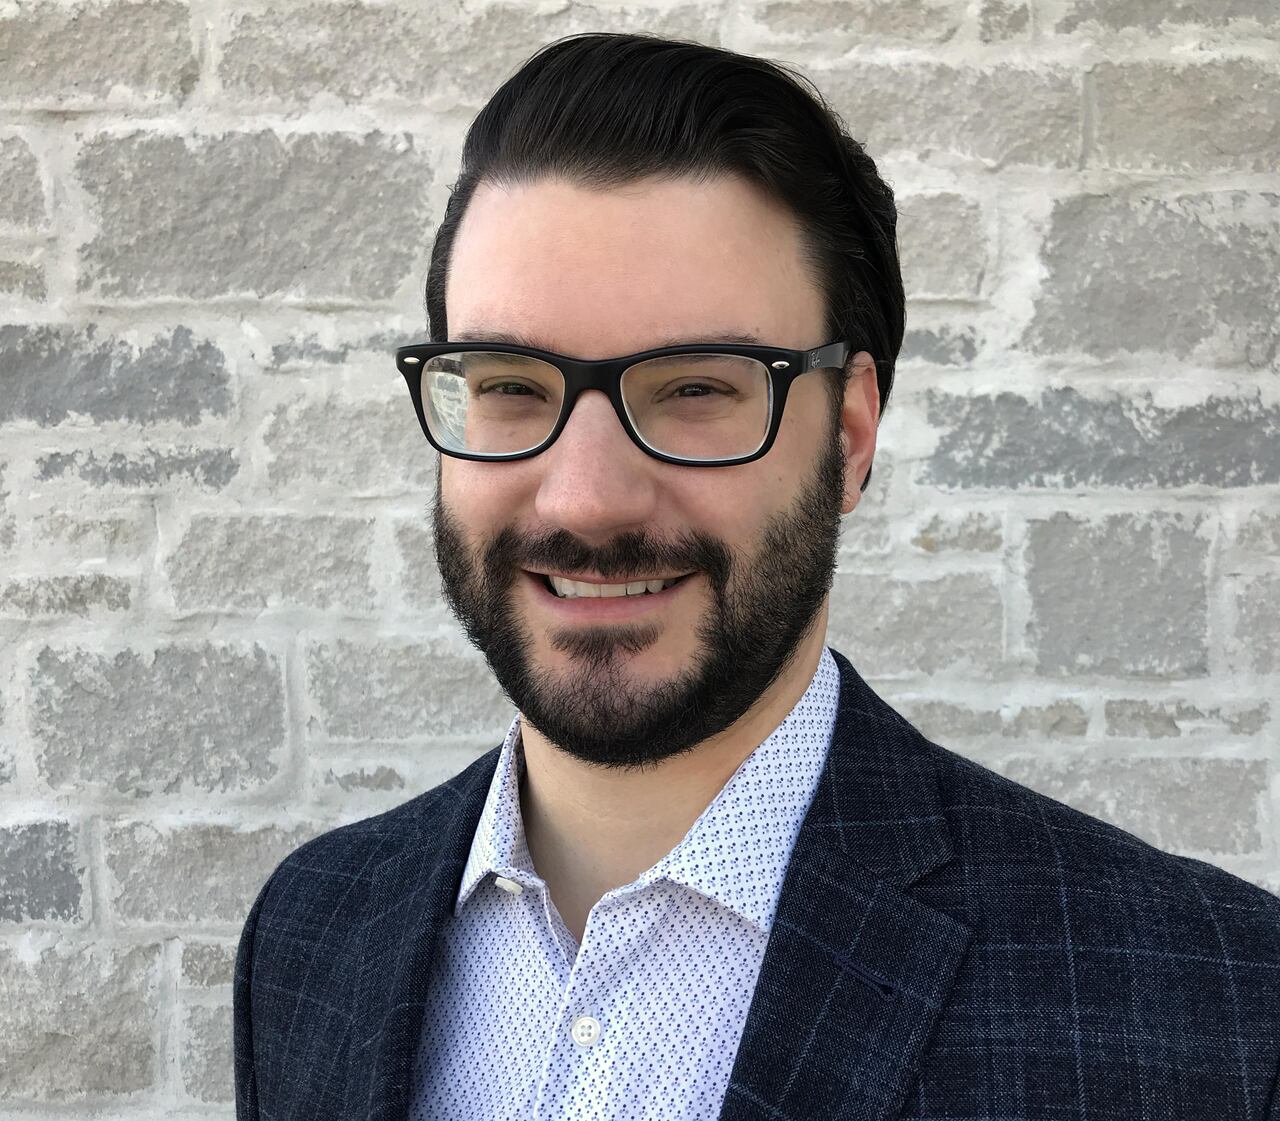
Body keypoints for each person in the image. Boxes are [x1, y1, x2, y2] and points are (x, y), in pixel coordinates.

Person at [233, 31, 1280, 1121]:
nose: (587, 499)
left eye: (695, 388)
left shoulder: (1211, 1008)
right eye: (509, 385)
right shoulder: (314, 930)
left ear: (851, 437)